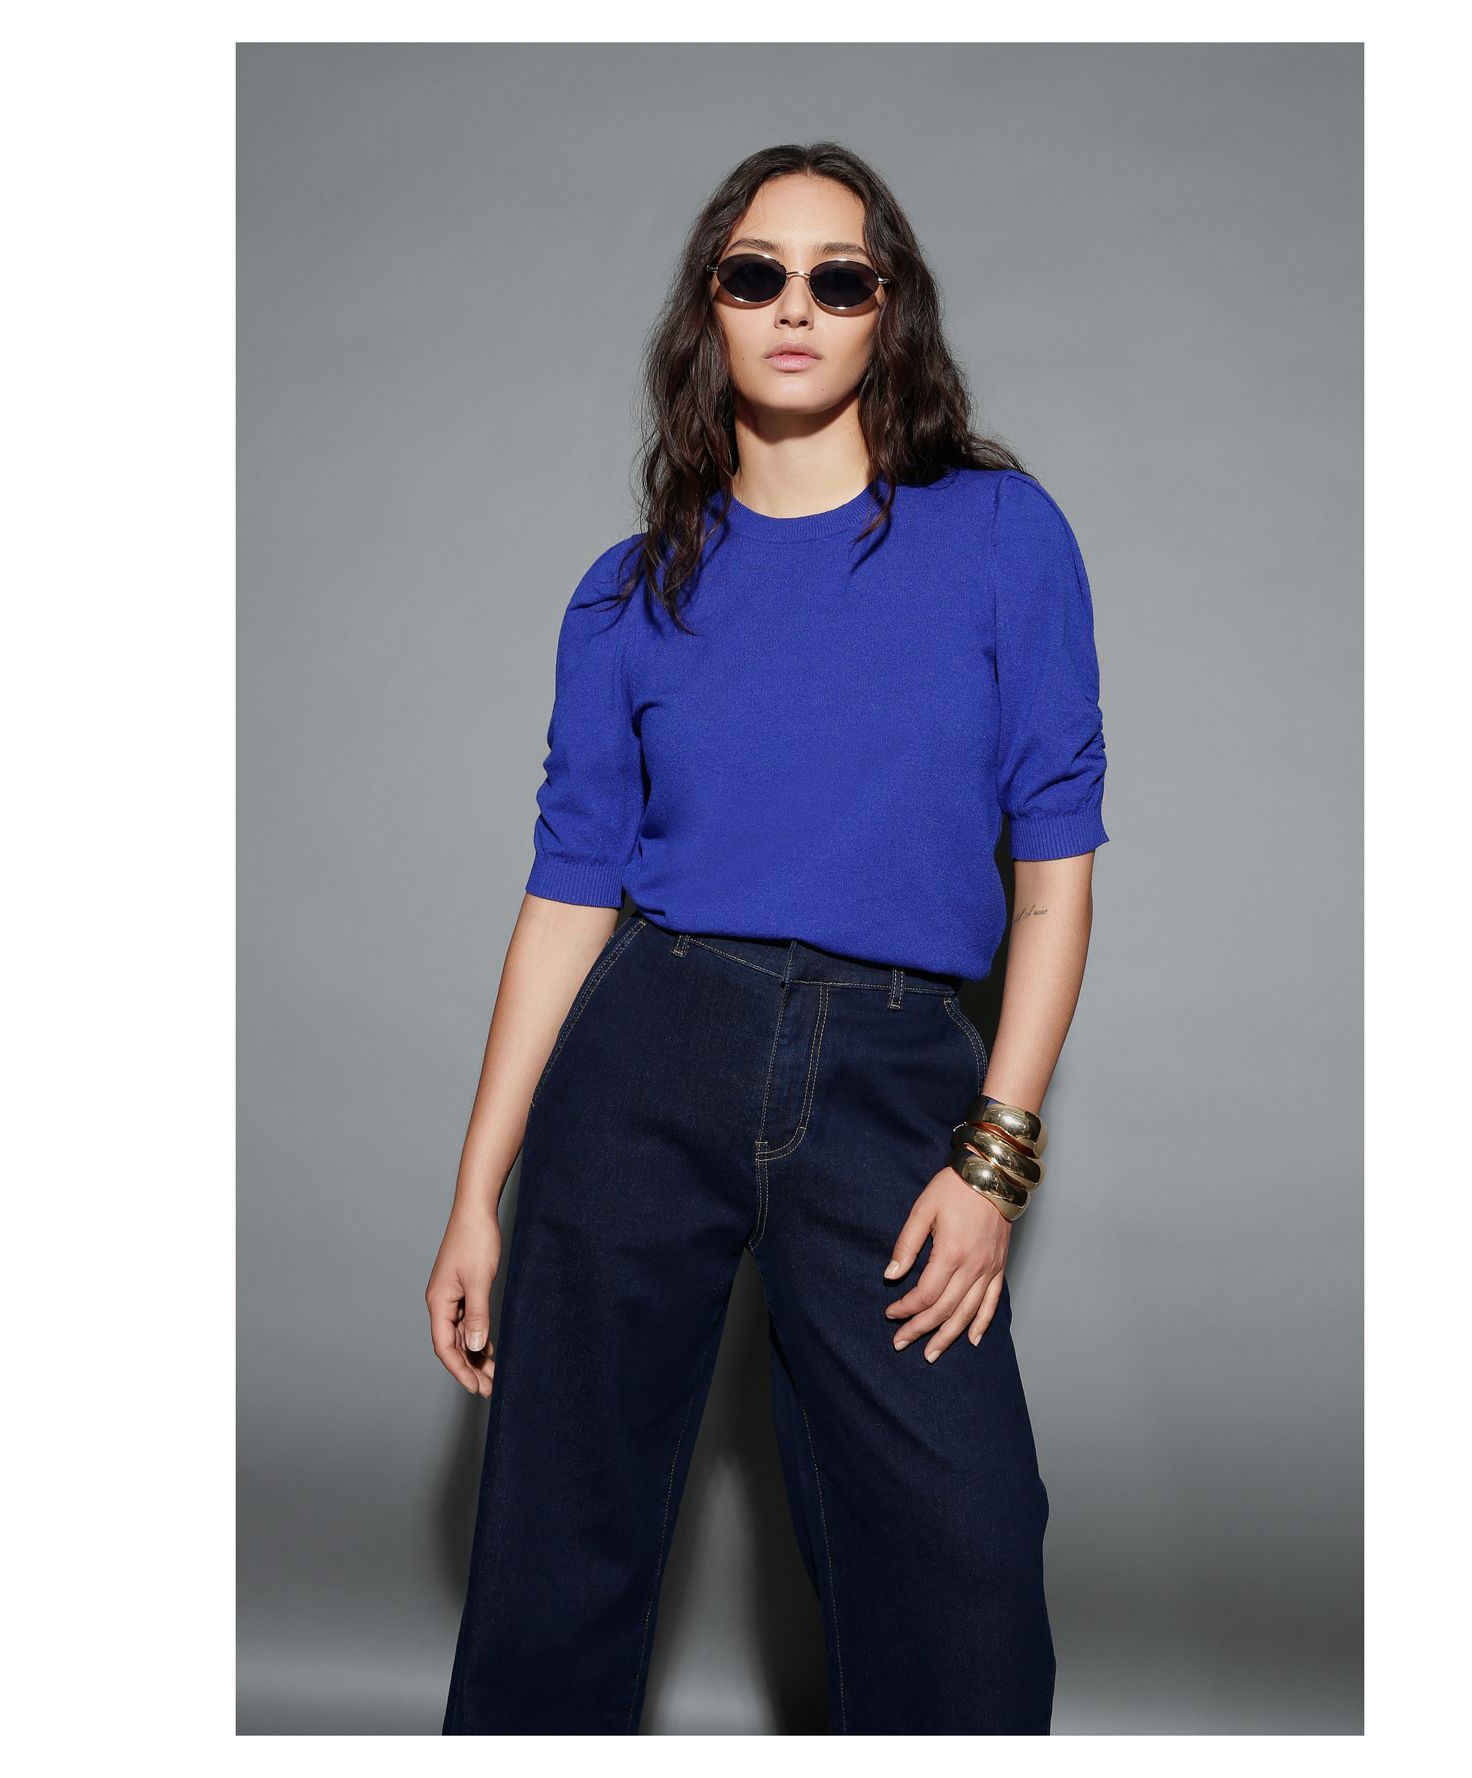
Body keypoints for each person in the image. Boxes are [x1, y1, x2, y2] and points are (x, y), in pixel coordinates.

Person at [426, 140, 1109, 1736]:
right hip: (648, 1054)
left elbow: (1054, 871)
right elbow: (567, 893)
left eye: (837, 279)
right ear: (710, 310)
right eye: (756, 275)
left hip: (891, 1076)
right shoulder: (624, 598)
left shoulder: (1002, 537)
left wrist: (996, 1154)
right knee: (556, 1541)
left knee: (964, 1554)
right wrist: (475, 1192)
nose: (795, 306)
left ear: (888, 313)